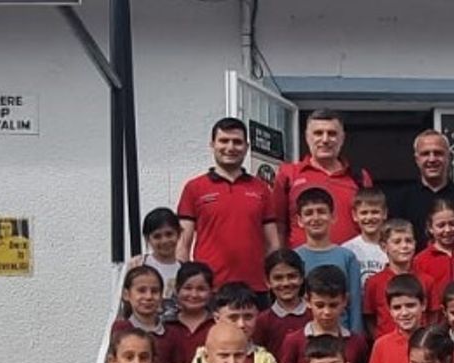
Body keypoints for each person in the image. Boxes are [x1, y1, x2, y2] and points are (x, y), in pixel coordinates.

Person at [176, 116, 280, 293]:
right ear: (212, 145)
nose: (230, 147)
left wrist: (273, 280)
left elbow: (273, 244)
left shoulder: (262, 189)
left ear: (246, 147)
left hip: (255, 287)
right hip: (209, 289)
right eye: (224, 141)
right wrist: (184, 285)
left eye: (237, 142)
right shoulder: (194, 188)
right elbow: (182, 244)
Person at [272, 109, 372, 246]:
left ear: (342, 138)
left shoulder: (359, 177)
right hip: (301, 258)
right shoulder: (289, 174)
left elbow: (372, 225)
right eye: (318, 133)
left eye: (332, 134)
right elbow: (278, 226)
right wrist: (280, 257)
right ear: (307, 137)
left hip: (351, 258)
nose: (325, 140)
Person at [278, 266, 371, 363]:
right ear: (307, 301)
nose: (327, 312)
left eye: (333, 305)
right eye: (320, 305)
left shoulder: (356, 342)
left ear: (345, 301)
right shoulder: (294, 341)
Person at [388, 129, 454, 250]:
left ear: (449, 157)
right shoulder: (399, 200)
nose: (432, 159)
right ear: (417, 159)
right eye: (425, 154)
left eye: (438, 153)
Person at [293, 187, 364, 333]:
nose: (315, 218)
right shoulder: (294, 258)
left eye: (321, 211)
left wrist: (355, 337)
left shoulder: (347, 257)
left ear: (333, 217)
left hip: (341, 334)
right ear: (300, 220)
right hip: (306, 334)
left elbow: (355, 304)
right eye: (309, 213)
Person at [112, 265, 179, 363]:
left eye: (154, 291)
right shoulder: (122, 328)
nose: (148, 297)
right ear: (126, 294)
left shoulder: (171, 333)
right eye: (141, 290)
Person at [366, 273, 427, 363]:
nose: (404, 313)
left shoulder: (435, 341)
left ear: (423, 305)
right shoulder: (381, 345)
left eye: (410, 305)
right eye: (397, 307)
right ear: (389, 310)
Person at [167, 262, 216, 363]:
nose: (194, 295)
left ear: (211, 291)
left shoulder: (217, 325)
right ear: (177, 290)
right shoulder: (166, 326)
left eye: (201, 289)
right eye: (187, 288)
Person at [127, 207, 182, 318]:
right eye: (157, 236)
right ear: (148, 239)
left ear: (179, 234)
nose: (164, 241)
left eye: (169, 234)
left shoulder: (184, 270)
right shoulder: (137, 265)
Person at [253, 249, 309, 356]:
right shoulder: (262, 321)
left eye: (292, 276)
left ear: (302, 278)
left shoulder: (315, 315)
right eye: (278, 278)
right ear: (268, 282)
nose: (286, 283)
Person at [414, 198, 454, 294]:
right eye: (441, 225)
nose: (447, 230)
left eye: (453, 224)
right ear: (430, 227)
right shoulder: (420, 261)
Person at [344, 186, 390, 288]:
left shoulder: (393, 248)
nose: (369, 217)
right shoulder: (347, 250)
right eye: (364, 213)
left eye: (375, 212)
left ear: (384, 213)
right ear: (355, 215)